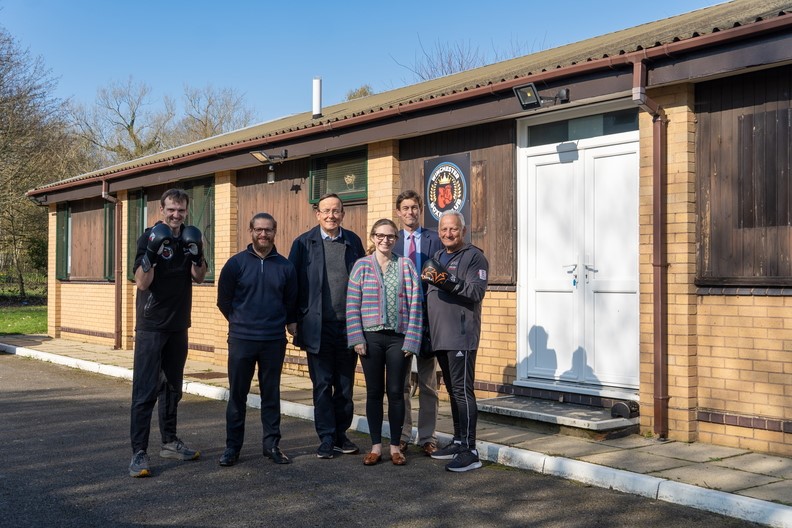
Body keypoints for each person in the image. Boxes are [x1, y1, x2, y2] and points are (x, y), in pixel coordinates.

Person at [129, 188, 208, 478]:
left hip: (178, 324)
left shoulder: (192, 235)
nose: (176, 215)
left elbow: (199, 277)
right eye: (171, 210)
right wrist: (151, 253)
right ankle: (139, 452)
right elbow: (141, 283)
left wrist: (197, 254)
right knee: (145, 389)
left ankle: (170, 442)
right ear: (162, 209)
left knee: (173, 388)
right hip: (151, 325)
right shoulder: (149, 236)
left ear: (187, 210)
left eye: (181, 210)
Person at [288, 193, 366, 459]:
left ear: (343, 214)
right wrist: (292, 319)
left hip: (349, 326)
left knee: (345, 386)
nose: (331, 215)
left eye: (336, 211)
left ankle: (341, 435)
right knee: (322, 385)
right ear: (317, 214)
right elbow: (292, 285)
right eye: (326, 211)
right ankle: (326, 438)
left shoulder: (353, 241)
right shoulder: (303, 243)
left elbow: (364, 281)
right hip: (316, 326)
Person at [216, 213, 297, 467]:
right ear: (250, 230)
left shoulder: (285, 267)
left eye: (268, 230)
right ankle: (232, 448)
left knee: (271, 394)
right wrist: (241, 322)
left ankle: (271, 445)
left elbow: (291, 303)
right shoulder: (236, 264)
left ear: (275, 231)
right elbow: (224, 301)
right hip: (242, 340)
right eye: (259, 229)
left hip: (273, 340)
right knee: (237, 396)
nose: (264, 234)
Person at [346, 219, 423, 466]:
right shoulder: (361, 266)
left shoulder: (406, 265)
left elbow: (416, 305)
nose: (385, 240)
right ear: (372, 237)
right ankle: (376, 446)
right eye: (380, 235)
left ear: (396, 239)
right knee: (374, 393)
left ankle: (395, 447)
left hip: (398, 339)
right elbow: (352, 305)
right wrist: (357, 337)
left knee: (397, 393)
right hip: (370, 338)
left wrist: (412, 340)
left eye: (390, 236)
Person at [422, 210, 489, 472]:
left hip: (461, 336)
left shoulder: (475, 257)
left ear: (463, 230)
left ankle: (471, 450)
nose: (448, 234)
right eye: (443, 230)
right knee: (452, 391)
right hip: (440, 336)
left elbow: (475, 292)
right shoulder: (438, 256)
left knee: (463, 391)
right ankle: (459, 440)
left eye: (453, 229)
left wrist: (446, 280)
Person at [392, 190, 443, 457]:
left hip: (428, 321)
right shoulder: (391, 241)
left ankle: (428, 437)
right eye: (405, 208)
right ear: (398, 212)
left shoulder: (435, 239)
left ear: (420, 210)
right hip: (400, 321)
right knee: (400, 384)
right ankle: (401, 435)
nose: (410, 212)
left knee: (428, 382)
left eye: (414, 207)